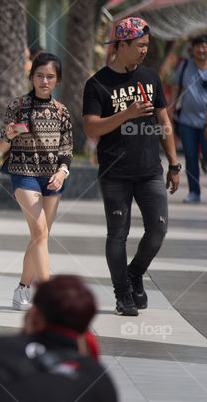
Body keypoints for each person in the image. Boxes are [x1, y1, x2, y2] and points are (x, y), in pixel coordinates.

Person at [83, 17, 179, 316]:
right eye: (139, 46)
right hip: (116, 172)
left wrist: (174, 164)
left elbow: (163, 122)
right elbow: (91, 128)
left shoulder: (150, 77)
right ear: (120, 45)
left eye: (147, 46)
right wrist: (126, 113)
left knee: (158, 229)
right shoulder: (97, 83)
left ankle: (135, 273)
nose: (144, 51)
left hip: (150, 169)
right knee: (118, 234)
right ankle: (122, 294)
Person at [0, 52, 73, 310]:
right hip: (23, 174)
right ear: (31, 77)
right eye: (39, 76)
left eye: (50, 77)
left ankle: (22, 289)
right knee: (40, 233)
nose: (44, 81)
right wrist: (8, 135)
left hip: (53, 177)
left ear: (58, 80)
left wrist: (62, 171)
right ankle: (50, 296)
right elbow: (0, 148)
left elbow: (67, 150)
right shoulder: (17, 106)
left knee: (39, 236)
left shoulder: (62, 111)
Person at [169, 34, 207, 203]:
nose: (202, 50)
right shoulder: (185, 65)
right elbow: (176, 87)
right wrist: (170, 109)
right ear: (193, 49)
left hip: (206, 122)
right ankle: (194, 192)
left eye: (205, 46)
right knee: (190, 158)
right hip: (187, 121)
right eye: (199, 46)